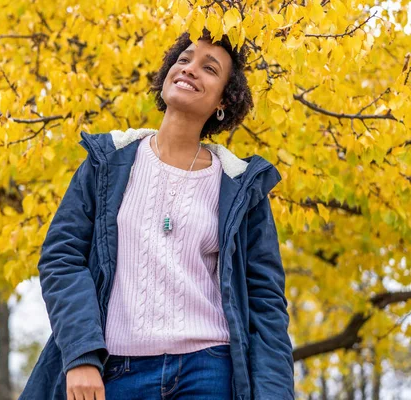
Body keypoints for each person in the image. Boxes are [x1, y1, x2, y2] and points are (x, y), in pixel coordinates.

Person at [19, 28, 294, 400]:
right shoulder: (107, 162)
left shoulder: (241, 185)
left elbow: (266, 302)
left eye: (209, 69)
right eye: (184, 60)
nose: (190, 69)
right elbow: (62, 258)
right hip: (116, 371)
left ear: (222, 102)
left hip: (209, 370)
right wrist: (81, 355)